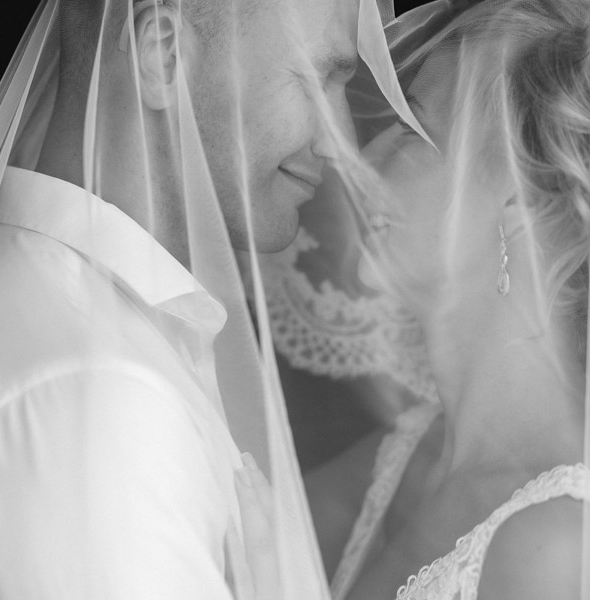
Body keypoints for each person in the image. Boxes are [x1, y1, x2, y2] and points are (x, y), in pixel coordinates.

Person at [0, 1, 424, 598]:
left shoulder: (37, 305)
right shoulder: (100, 398)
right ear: (162, 56)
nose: (340, 142)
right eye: (317, 77)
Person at [239, 0, 590, 598]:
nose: (363, 159)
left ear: (517, 201)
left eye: (411, 132)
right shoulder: (399, 457)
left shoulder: (558, 549)